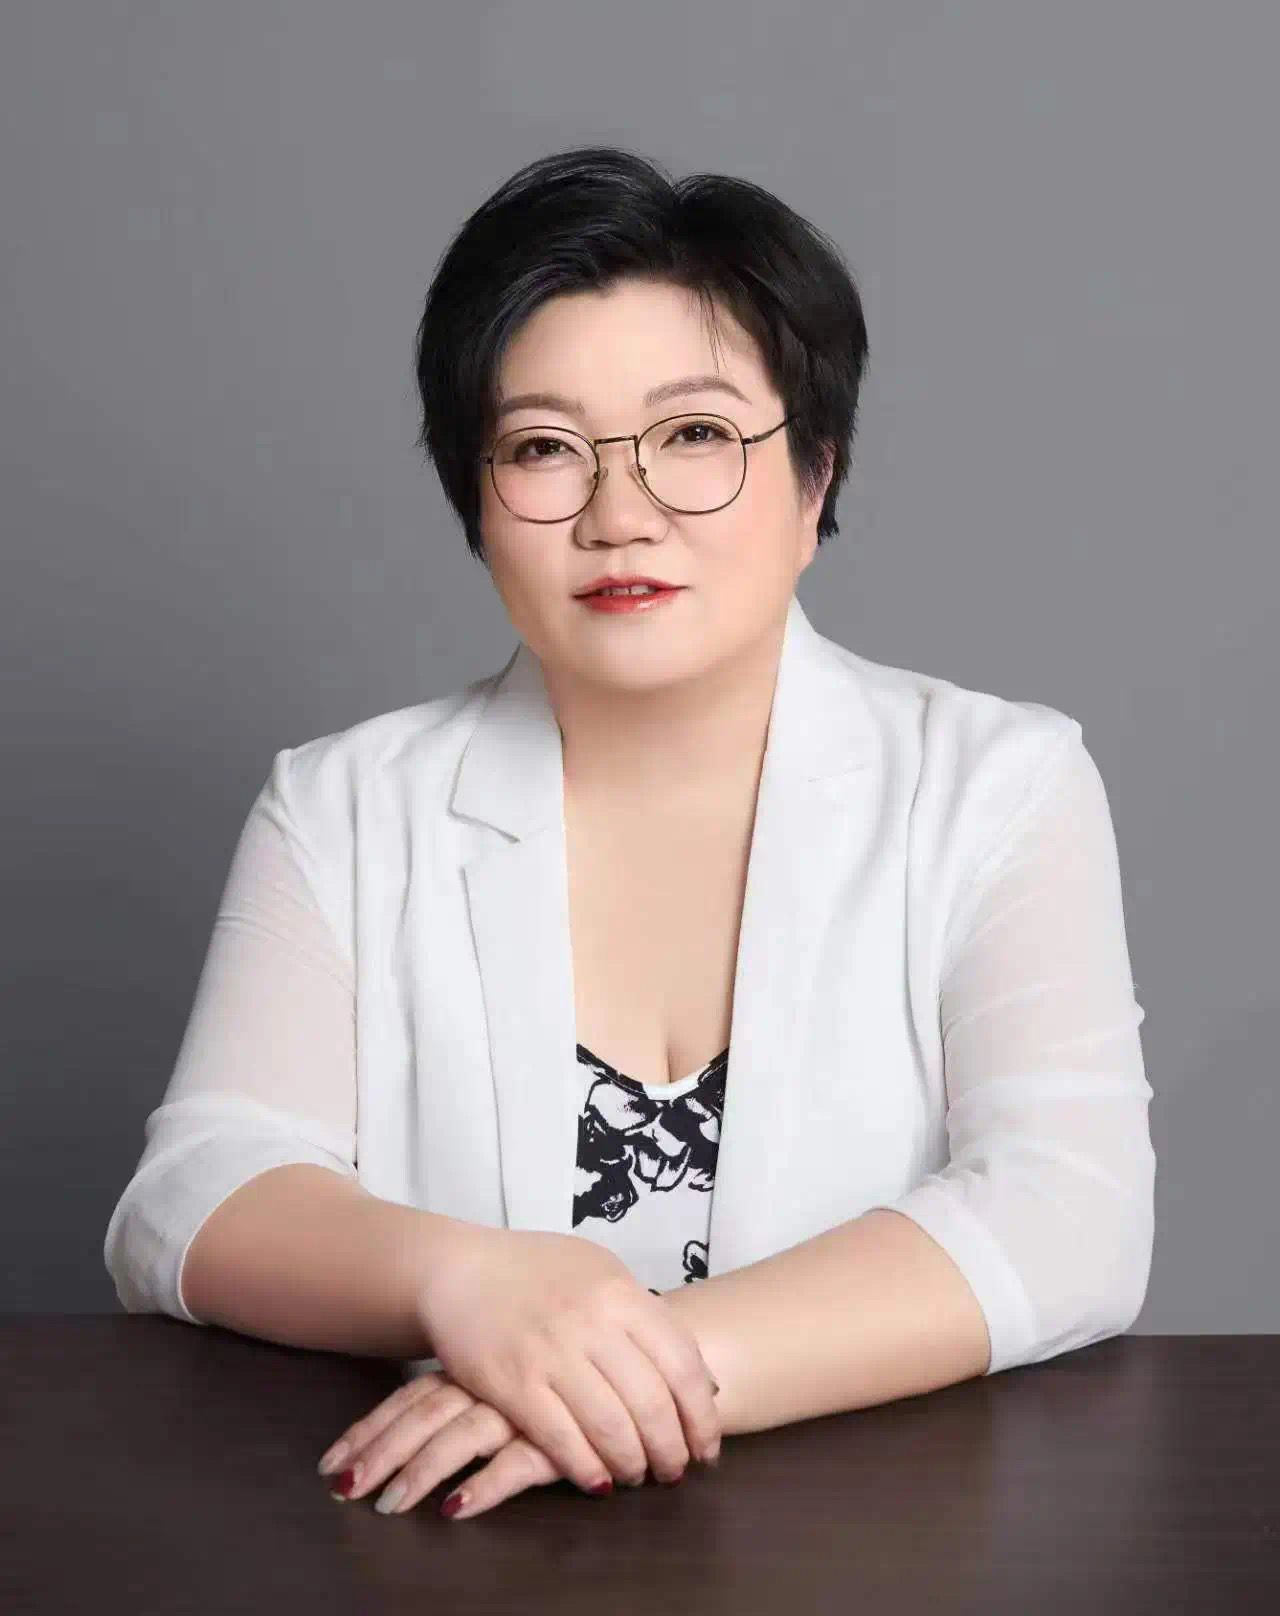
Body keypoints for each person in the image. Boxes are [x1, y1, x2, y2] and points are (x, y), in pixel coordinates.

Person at [103, 145, 1155, 1522]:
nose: (619, 513)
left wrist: (613, 1375)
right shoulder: (343, 806)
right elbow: (190, 1199)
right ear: (475, 500)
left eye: (696, 436)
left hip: (869, 1547)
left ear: (816, 478)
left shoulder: (999, 784)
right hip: (449, 1561)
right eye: (544, 448)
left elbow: (1072, 1213)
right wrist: (473, 1285)